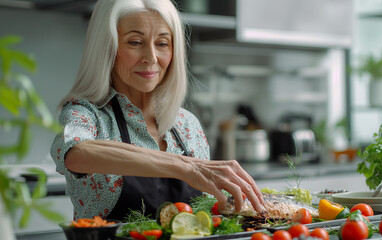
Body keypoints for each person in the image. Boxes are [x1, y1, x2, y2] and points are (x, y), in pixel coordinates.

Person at [50, 0, 264, 221]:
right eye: (135, 42)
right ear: (107, 47)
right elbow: (75, 152)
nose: (151, 57)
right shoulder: (83, 113)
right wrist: (187, 167)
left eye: (162, 44)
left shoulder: (186, 124)